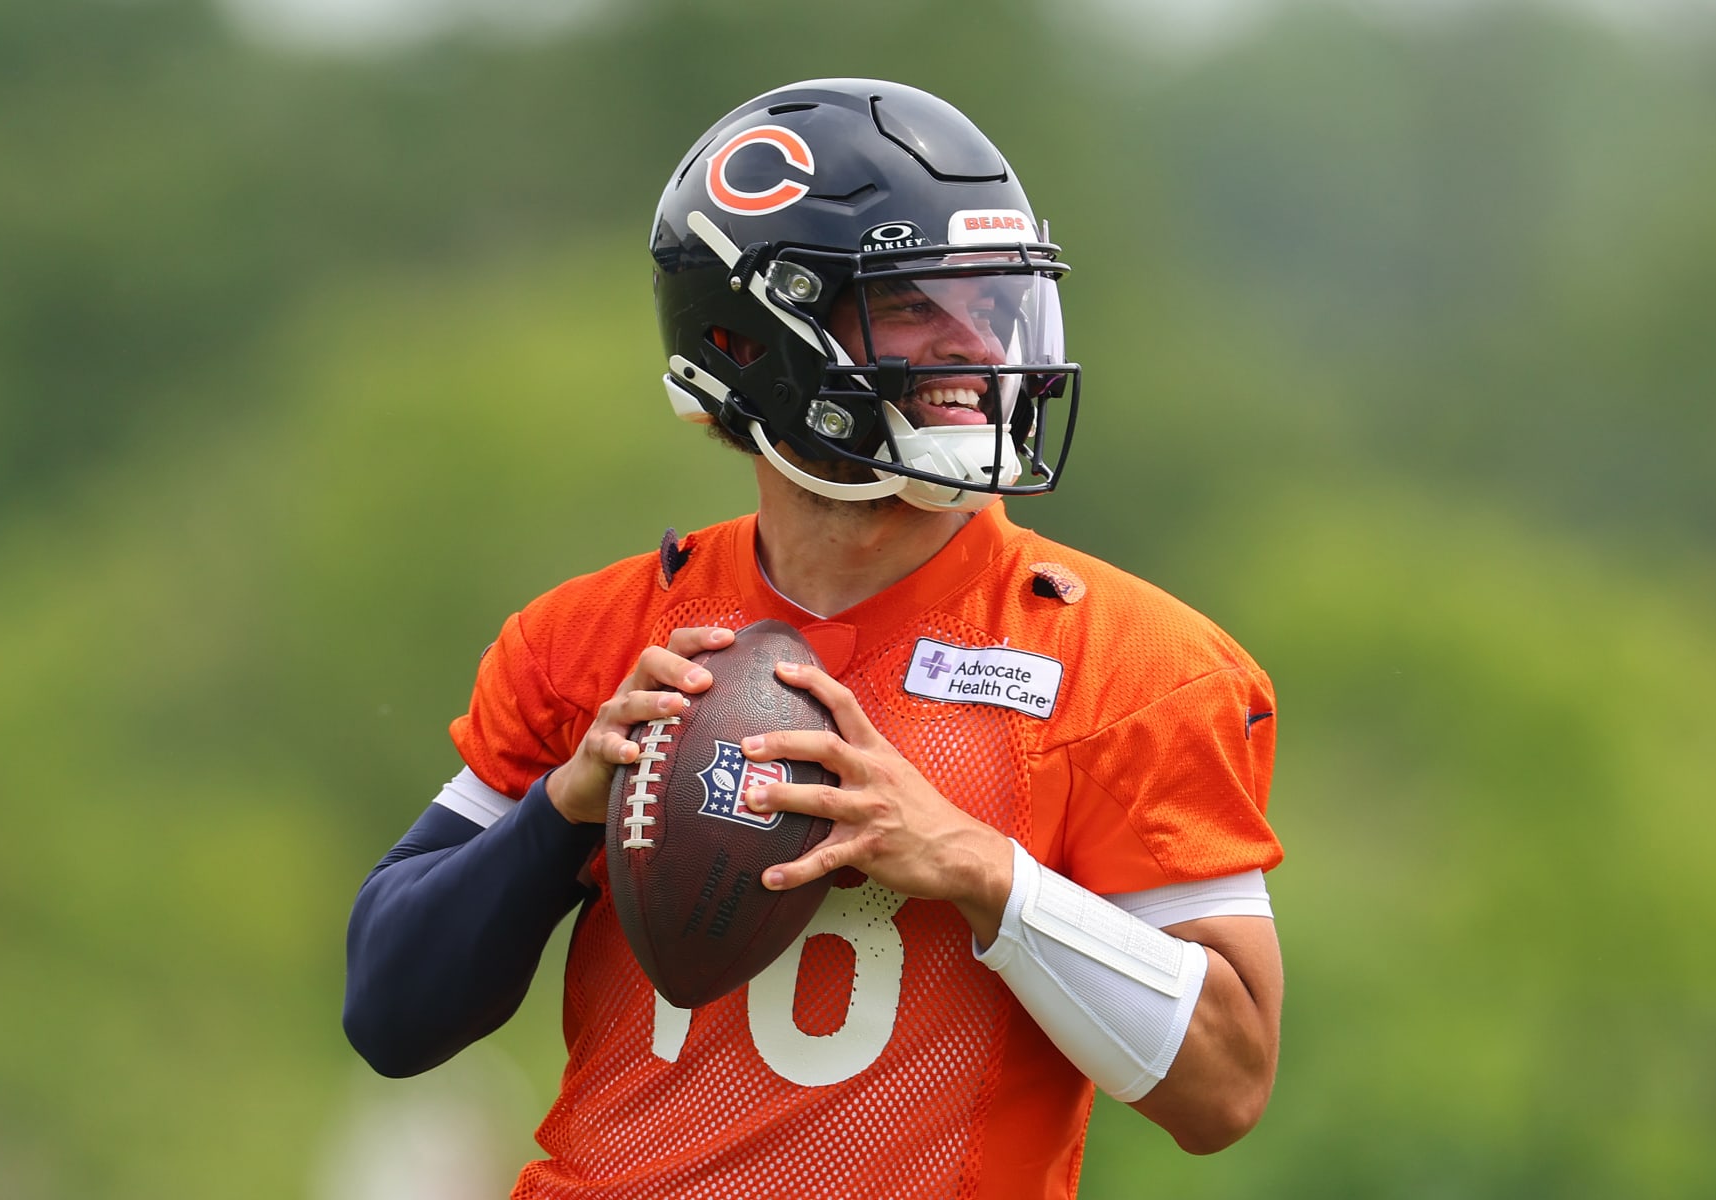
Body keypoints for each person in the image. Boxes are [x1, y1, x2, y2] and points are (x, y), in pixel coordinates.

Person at [343, 78, 1284, 1200]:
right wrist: (564, 808)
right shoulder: (591, 641)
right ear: (753, 338)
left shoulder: (1133, 667)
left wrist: (985, 873)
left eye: (992, 301)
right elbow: (389, 1014)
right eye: (917, 304)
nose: (976, 345)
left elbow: (1226, 1089)